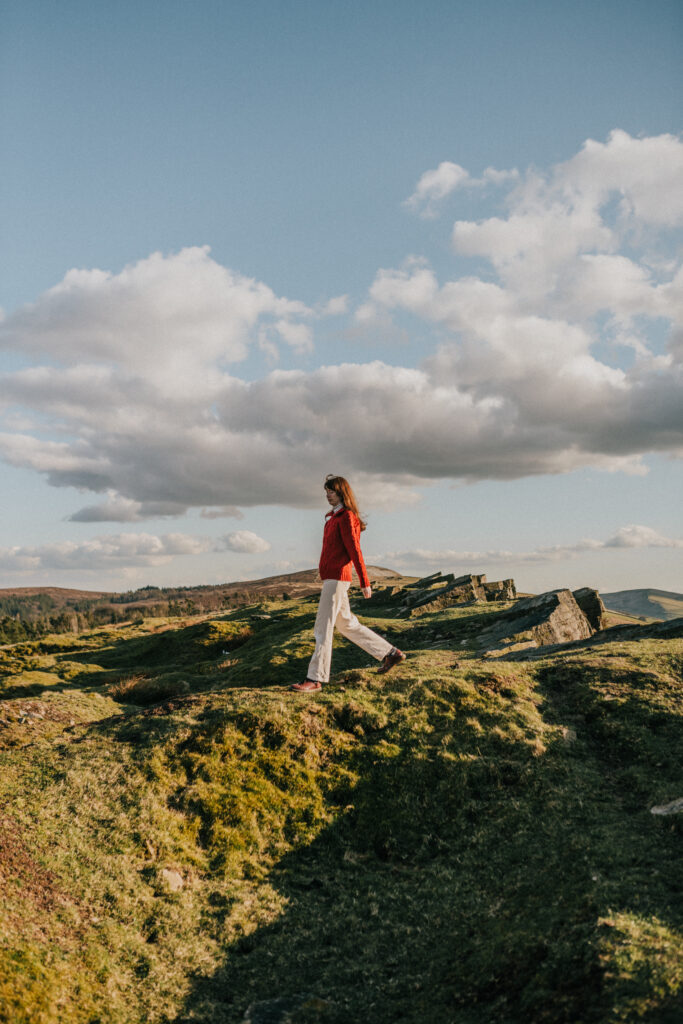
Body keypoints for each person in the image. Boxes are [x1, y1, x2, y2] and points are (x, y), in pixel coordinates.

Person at [291, 474, 406, 692]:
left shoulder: (346, 517)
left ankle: (315, 678)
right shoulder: (333, 518)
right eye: (326, 492)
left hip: (337, 579)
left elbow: (355, 550)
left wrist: (364, 581)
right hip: (332, 578)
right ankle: (390, 653)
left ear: (342, 492)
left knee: (322, 627)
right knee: (346, 624)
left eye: (331, 492)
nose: (327, 496)